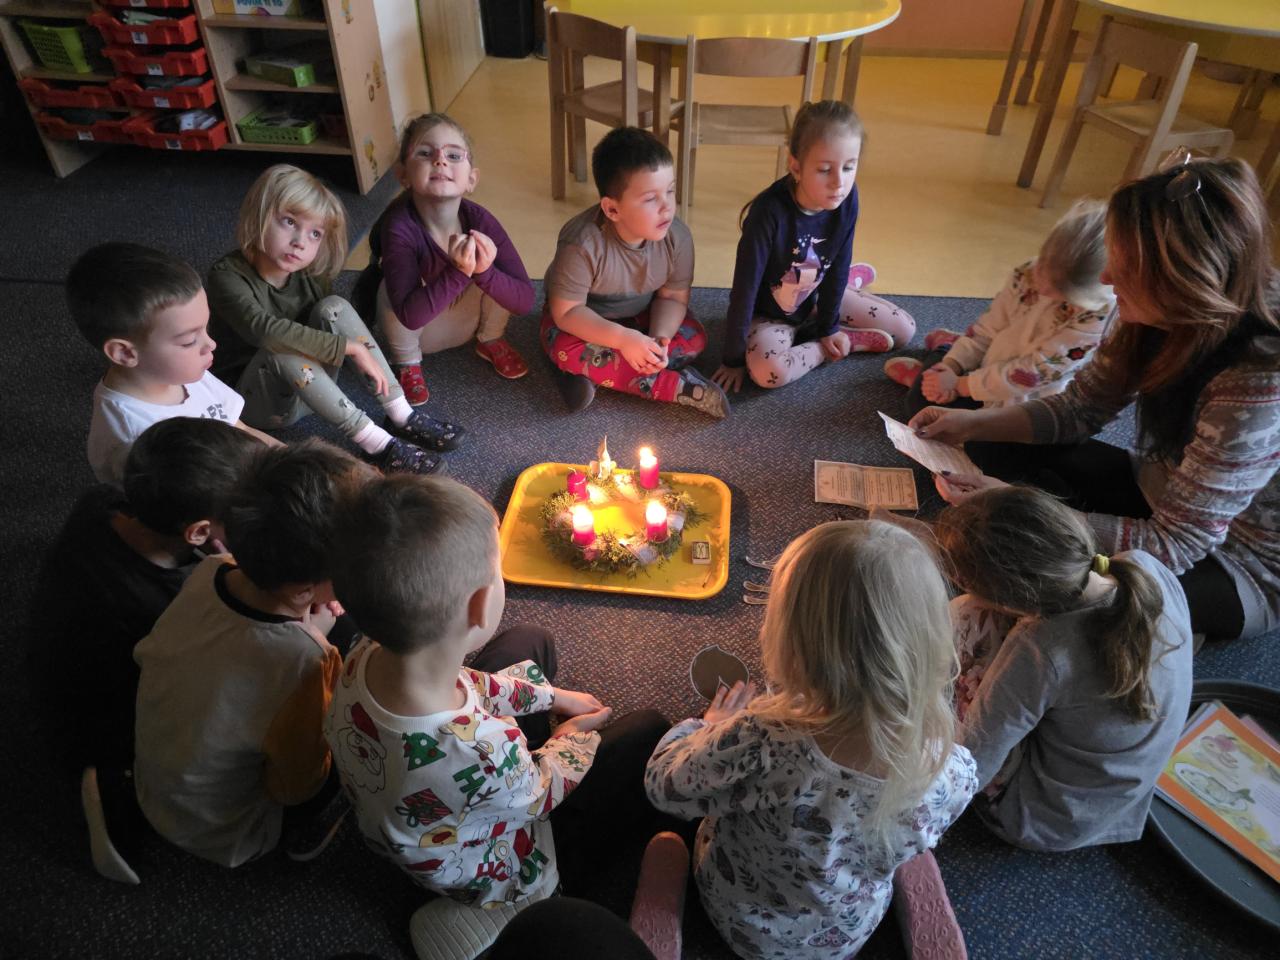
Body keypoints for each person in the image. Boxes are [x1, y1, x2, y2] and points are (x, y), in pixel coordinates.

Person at [915, 155, 1280, 641]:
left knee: (1049, 583)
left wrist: (1022, 505)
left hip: (1234, 566)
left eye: (1124, 267)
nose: (1106, 278)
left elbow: (1175, 545)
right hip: (1161, 494)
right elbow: (1079, 409)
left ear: (1181, 279)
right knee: (987, 444)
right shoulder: (1153, 311)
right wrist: (971, 425)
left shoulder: (1256, 383)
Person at [324, 474, 669, 959]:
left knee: (530, 641)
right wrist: (570, 736)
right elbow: (538, 793)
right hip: (500, 860)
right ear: (481, 604)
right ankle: (543, 893)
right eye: (498, 571)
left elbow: (469, 684)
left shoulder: (361, 653)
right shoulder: (482, 750)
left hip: (418, 807)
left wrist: (552, 697)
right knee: (649, 731)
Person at [645, 520, 977, 960]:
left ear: (794, 639)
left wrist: (707, 726)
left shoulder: (763, 740)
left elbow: (665, 787)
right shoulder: (952, 769)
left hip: (745, 922)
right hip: (846, 932)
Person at [27, 418, 261, 884]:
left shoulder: (103, 501)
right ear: (198, 533)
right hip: (102, 726)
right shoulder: (166, 608)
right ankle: (113, 792)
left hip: (63, 651)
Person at [133, 440, 372, 868]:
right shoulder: (307, 660)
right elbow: (296, 786)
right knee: (360, 732)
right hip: (229, 831)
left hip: (158, 785)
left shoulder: (212, 568)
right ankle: (301, 834)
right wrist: (314, 640)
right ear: (304, 589)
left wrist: (304, 620)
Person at [935, 485, 1193, 851]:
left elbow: (971, 767)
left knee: (964, 618)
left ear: (1011, 598)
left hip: (1040, 816)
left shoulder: (1040, 648)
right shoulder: (1143, 566)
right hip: (1120, 796)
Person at [206, 164, 459, 476]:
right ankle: (378, 444)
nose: (300, 241)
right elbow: (264, 331)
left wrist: (355, 350)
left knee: (333, 306)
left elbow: (332, 325)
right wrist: (349, 348)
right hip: (258, 404)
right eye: (289, 222)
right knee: (280, 347)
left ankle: (400, 414)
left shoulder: (308, 274)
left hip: (313, 389)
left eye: (315, 233)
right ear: (259, 215)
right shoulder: (226, 276)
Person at [712, 101, 915, 394]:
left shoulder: (847, 198)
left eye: (849, 167)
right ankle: (838, 343)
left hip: (816, 295)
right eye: (824, 170)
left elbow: (839, 262)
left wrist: (829, 326)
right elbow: (744, 290)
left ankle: (839, 322)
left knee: (905, 331)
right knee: (769, 372)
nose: (839, 183)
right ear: (796, 166)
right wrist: (733, 359)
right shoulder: (768, 213)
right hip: (771, 316)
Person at [541, 126, 727, 417]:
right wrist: (623, 340)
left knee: (694, 338)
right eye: (651, 199)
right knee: (562, 346)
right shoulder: (581, 243)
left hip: (642, 316)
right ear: (612, 210)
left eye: (670, 191)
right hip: (587, 323)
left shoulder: (677, 237)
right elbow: (567, 312)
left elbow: (673, 298)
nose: (667, 207)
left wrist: (658, 340)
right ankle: (671, 386)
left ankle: (600, 373)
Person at [362, 112, 536, 406]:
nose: (440, 161)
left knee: (492, 267)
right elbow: (410, 316)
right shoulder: (399, 227)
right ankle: (407, 363)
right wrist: (458, 272)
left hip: (465, 323)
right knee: (386, 289)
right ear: (403, 175)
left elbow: (525, 300)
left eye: (454, 155)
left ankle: (490, 338)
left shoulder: (480, 220)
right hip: (420, 332)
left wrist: (484, 273)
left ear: (471, 179)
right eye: (425, 153)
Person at [67, 242, 275, 486]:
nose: (211, 344)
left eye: (206, 327)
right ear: (125, 353)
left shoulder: (181, 371)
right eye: (189, 340)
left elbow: (241, 430)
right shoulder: (136, 440)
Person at [885, 199, 1114, 419]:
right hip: (989, 367)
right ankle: (942, 359)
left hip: (1032, 393)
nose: (1043, 289)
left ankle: (936, 365)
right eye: (1042, 269)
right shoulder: (1026, 274)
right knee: (920, 405)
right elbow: (987, 329)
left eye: (1058, 291)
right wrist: (950, 367)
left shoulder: (1096, 315)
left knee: (967, 431)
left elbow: (1033, 373)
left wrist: (959, 385)